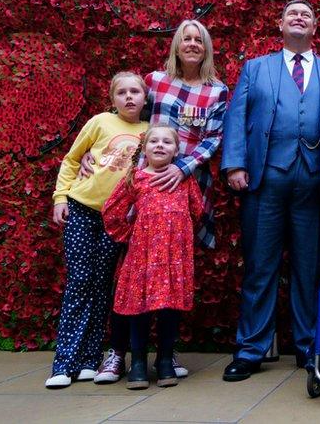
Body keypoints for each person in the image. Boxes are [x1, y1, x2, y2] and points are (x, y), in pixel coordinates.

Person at [82, 20, 228, 384]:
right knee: (129, 276)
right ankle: (118, 352)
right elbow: (128, 123)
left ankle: (165, 351)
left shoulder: (217, 91)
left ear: (206, 48)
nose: (192, 44)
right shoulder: (157, 82)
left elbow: (214, 139)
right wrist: (94, 152)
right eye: (186, 39)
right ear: (176, 46)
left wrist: (182, 167)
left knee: (168, 273)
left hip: (184, 186)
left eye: (199, 40)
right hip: (142, 188)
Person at [221, 0, 320, 381]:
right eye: (291, 14)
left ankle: (309, 348)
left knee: (309, 269)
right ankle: (250, 350)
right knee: (260, 268)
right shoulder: (255, 69)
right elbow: (237, 118)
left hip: (314, 185)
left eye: (306, 15)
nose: (299, 18)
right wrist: (234, 164)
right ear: (280, 25)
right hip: (263, 182)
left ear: (315, 28)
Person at [45, 72, 148, 389]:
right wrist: (60, 197)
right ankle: (64, 363)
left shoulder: (148, 131)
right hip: (82, 208)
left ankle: (90, 359)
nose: (129, 97)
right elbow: (73, 159)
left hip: (115, 219)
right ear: (112, 98)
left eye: (135, 92)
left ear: (145, 97)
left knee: (103, 284)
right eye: (122, 92)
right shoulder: (100, 122)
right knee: (79, 281)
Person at [102, 125, 204, 389]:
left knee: (169, 307)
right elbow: (112, 211)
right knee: (140, 307)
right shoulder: (136, 178)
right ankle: (137, 363)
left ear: (176, 150)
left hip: (173, 256)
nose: (160, 146)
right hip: (143, 256)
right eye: (154, 141)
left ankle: (165, 360)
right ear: (144, 149)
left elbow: (197, 210)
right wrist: (132, 235)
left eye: (167, 142)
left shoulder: (184, 179)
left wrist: (178, 234)